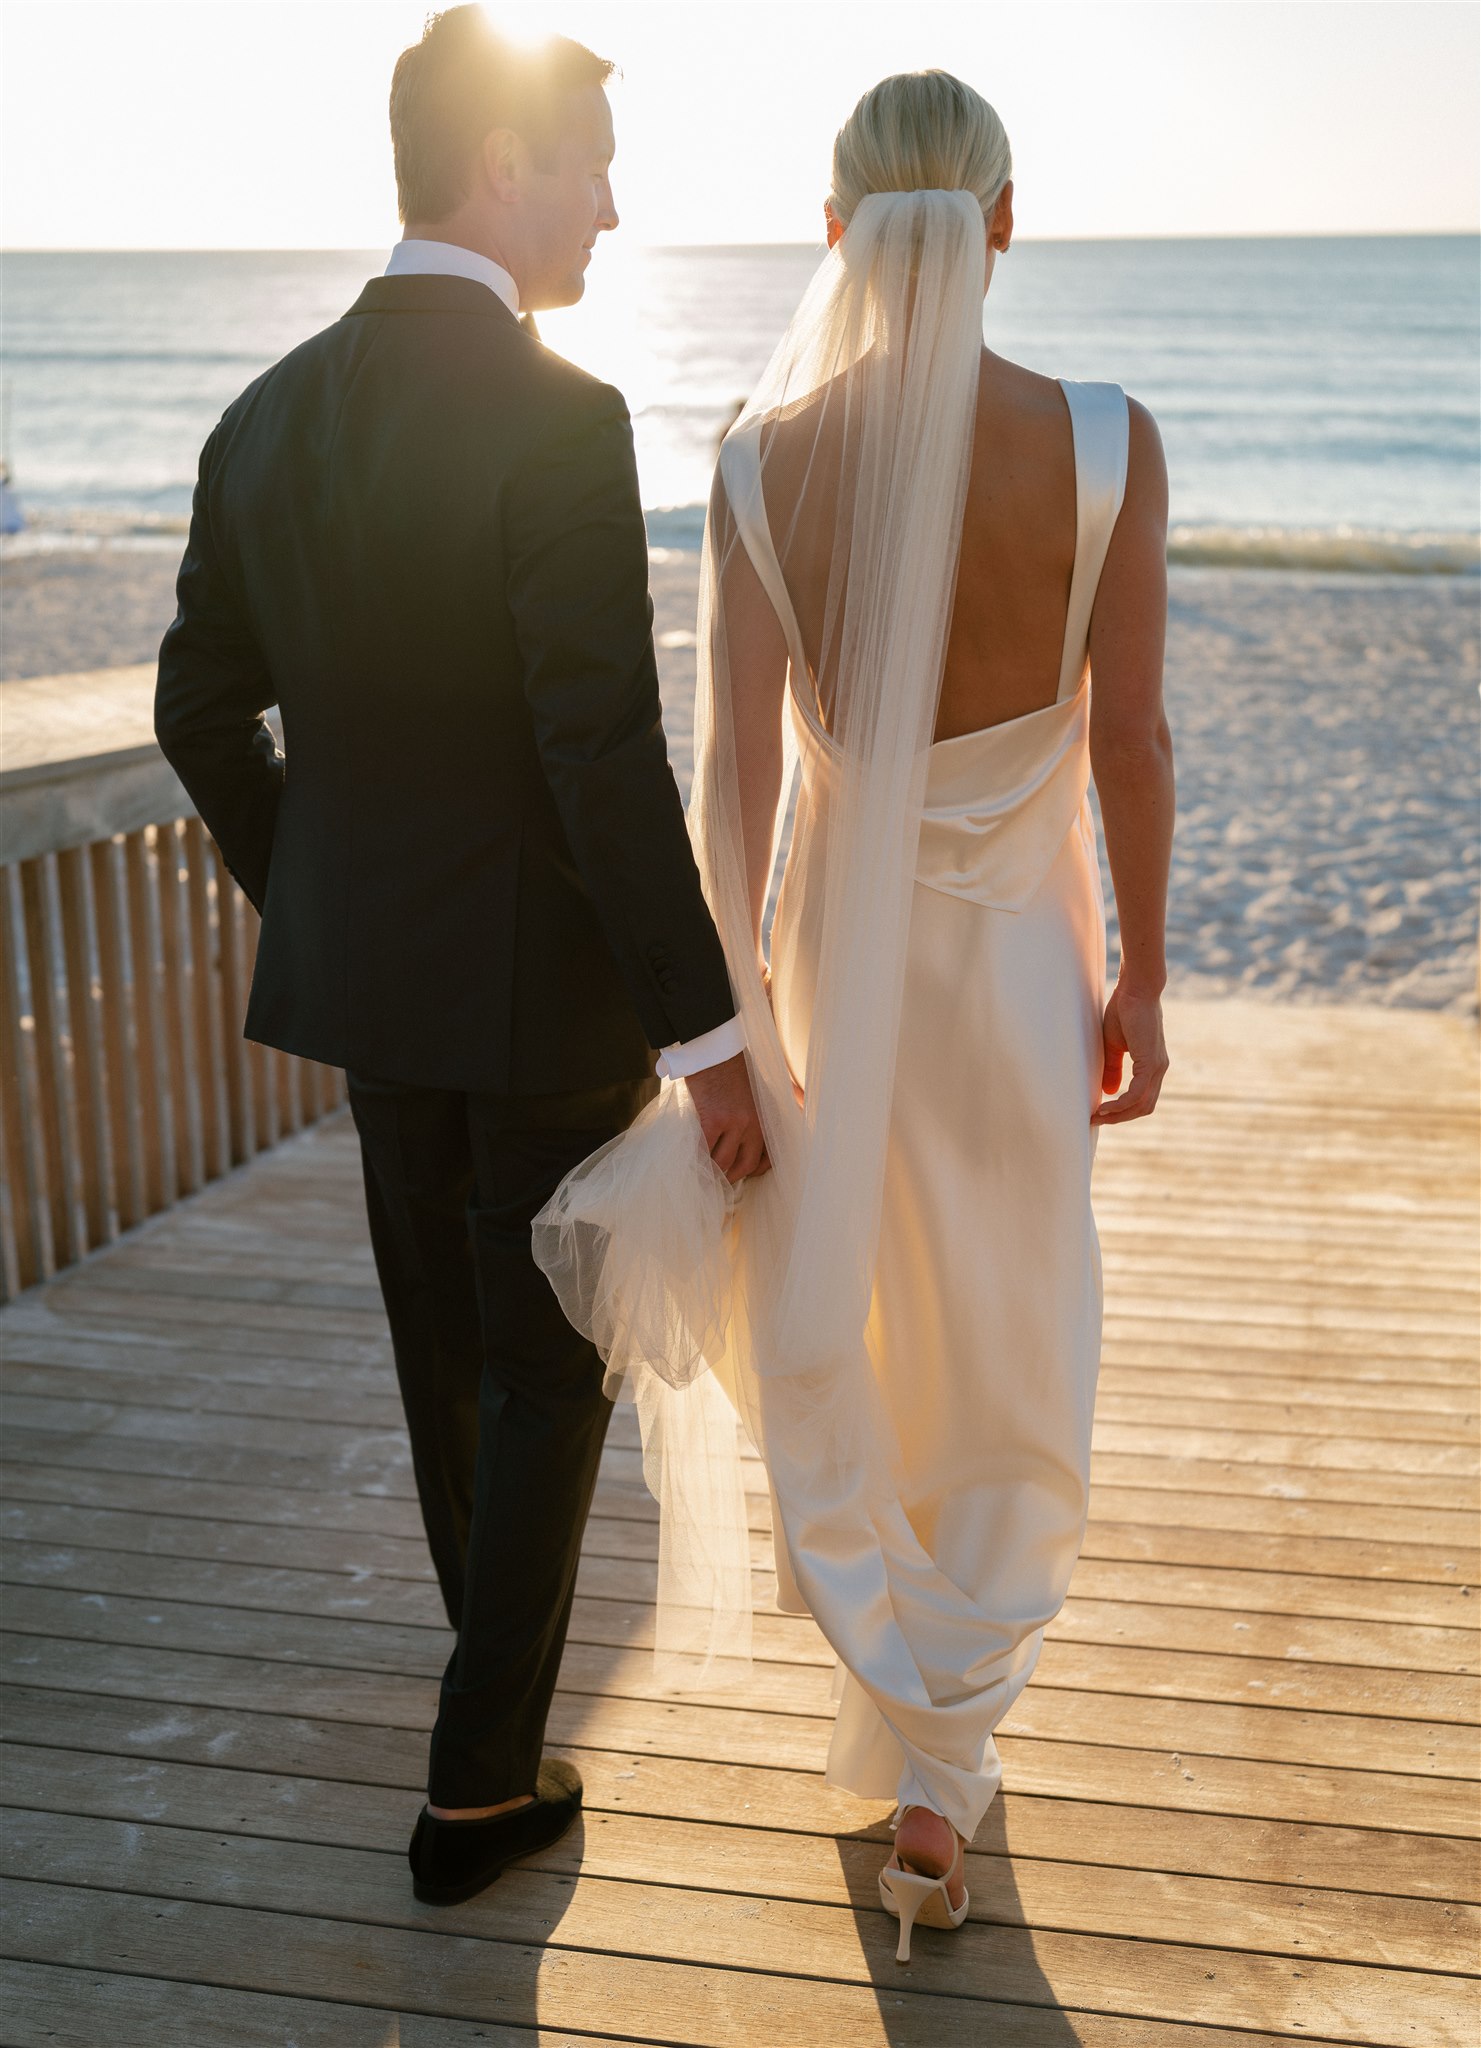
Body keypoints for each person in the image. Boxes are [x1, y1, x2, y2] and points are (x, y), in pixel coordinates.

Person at [534, 70, 1173, 1964]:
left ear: (832, 232)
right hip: (1015, 980)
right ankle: (941, 1765)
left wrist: (730, 1022)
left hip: (825, 962)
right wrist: (1141, 969)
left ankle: (915, 1732)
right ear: (999, 220)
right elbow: (1127, 737)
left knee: (862, 1323)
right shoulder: (1104, 439)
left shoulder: (755, 459)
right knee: (1006, 1328)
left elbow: (726, 783)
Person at [153, 7, 768, 1907]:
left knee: (454, 1372)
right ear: (500, 166)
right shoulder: (561, 418)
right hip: (545, 1008)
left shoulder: (262, 417)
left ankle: (493, 1743)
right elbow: (600, 747)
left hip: (378, 999)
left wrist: (316, 891)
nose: (610, 201)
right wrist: (710, 1031)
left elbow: (200, 708)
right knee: (545, 1379)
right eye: (588, 160)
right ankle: (482, 1779)